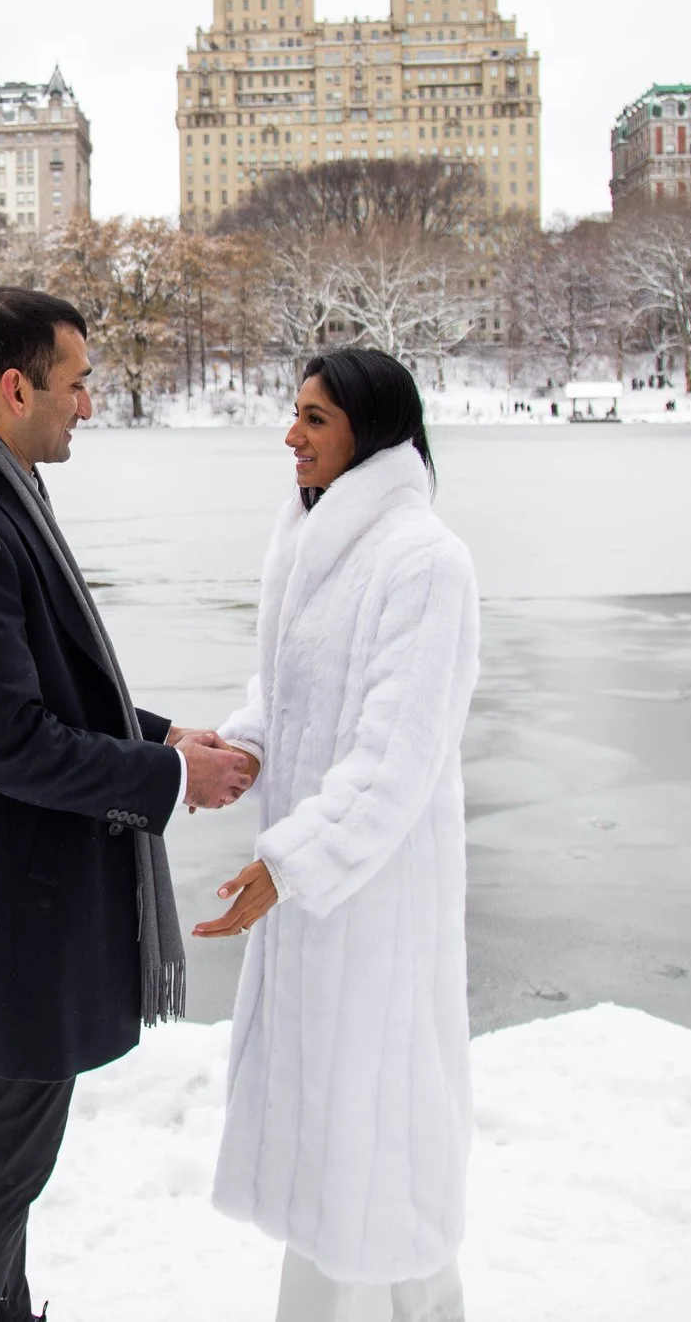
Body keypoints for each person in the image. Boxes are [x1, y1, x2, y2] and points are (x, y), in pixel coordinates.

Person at [0, 285, 257, 1322]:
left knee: (7, 1158)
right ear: (15, 388)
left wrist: (156, 737)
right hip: (3, 918)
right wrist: (168, 781)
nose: (90, 403)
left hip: (5, 913)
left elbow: (43, 688)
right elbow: (13, 744)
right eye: (77, 382)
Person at [193, 347, 483, 1322]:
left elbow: (395, 756)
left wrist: (290, 863)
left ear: (371, 430)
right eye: (295, 413)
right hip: (321, 898)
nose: (291, 435)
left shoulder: (424, 562)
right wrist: (234, 750)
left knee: (370, 1150)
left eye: (313, 418)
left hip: (376, 907)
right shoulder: (313, 540)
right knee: (352, 1160)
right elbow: (286, 691)